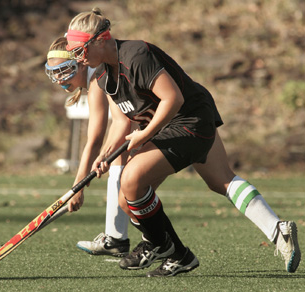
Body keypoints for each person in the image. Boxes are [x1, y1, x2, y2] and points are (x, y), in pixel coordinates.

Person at [65, 8, 301, 277]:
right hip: (174, 123)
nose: (78, 58)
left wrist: (144, 134)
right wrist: (105, 155)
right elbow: (120, 122)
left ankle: (166, 249)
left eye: (79, 49)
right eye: (74, 52)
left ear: (101, 38)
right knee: (216, 181)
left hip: (190, 120)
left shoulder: (136, 55)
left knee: (131, 181)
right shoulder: (104, 76)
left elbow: (172, 99)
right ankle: (277, 230)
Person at [45, 37, 132, 257]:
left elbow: (95, 138)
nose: (60, 79)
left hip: (168, 121)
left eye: (64, 71)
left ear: (81, 62)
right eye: (55, 73)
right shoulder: (96, 77)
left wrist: (78, 187)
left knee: (126, 168)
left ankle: (120, 239)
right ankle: (117, 238)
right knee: (221, 181)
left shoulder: (97, 79)